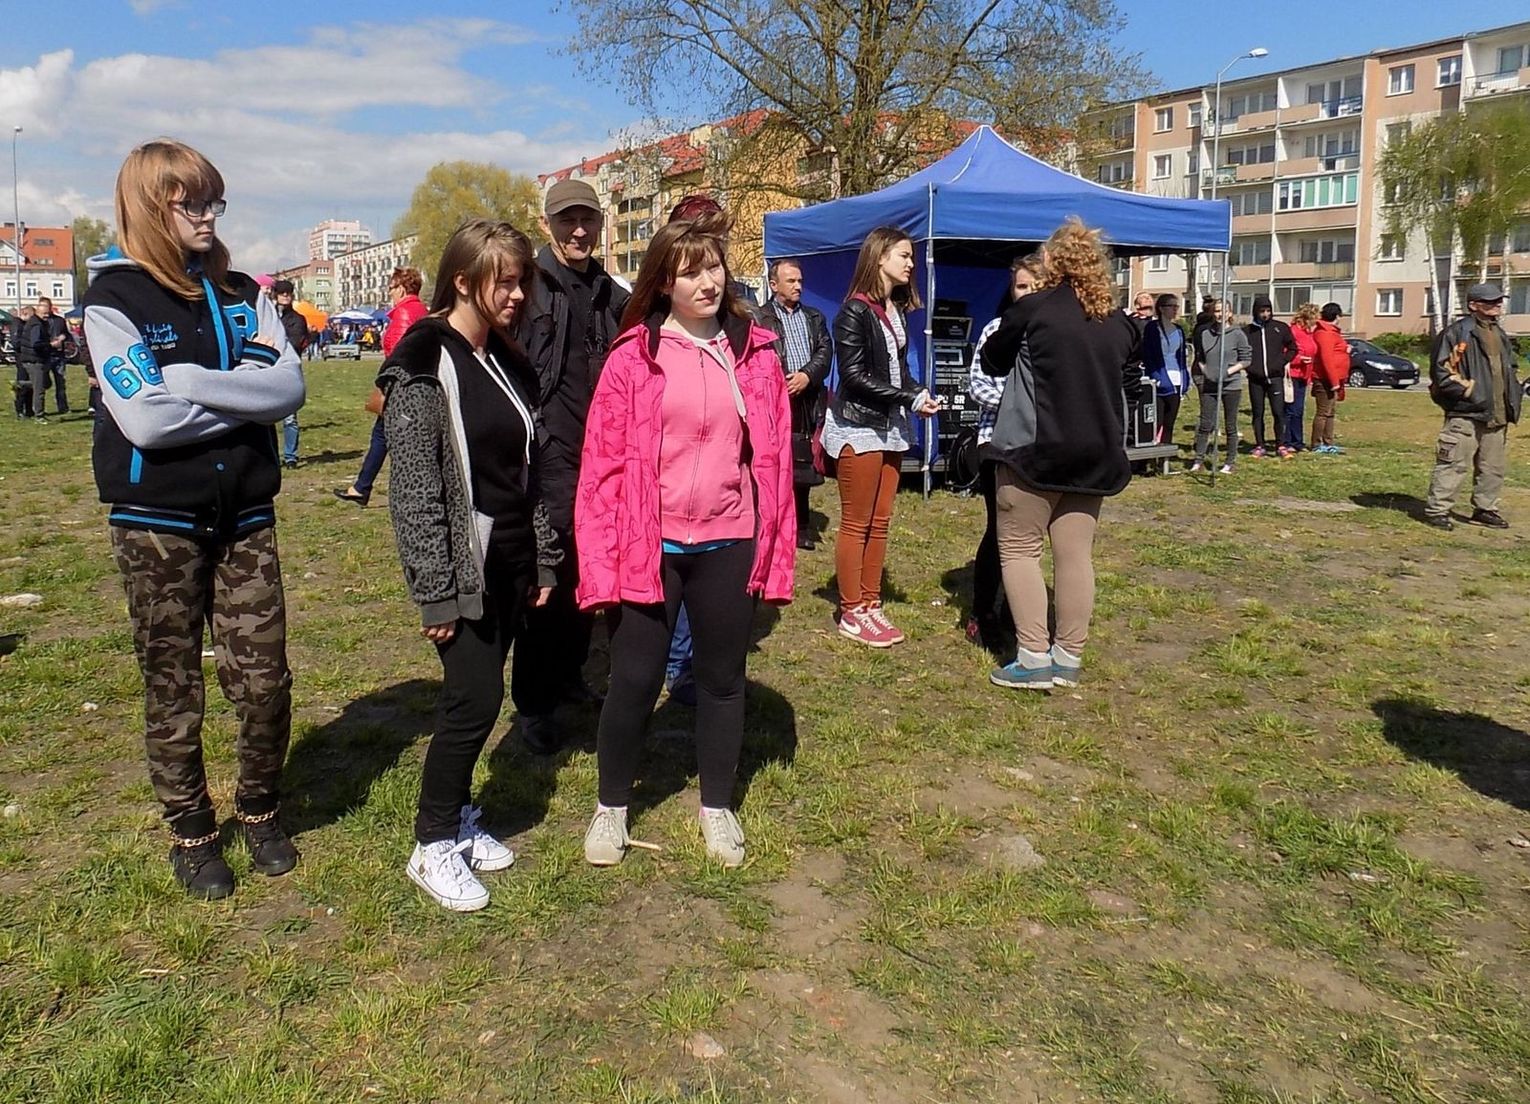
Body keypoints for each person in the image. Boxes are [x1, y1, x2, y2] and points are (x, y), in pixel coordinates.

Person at [83, 138, 306, 899]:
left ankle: (260, 809)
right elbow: (146, 422)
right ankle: (192, 831)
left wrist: (184, 381)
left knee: (265, 680)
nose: (209, 216)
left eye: (215, 202)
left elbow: (287, 390)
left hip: (245, 515)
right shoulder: (114, 301)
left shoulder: (243, 293)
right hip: (156, 522)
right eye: (192, 204)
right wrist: (238, 394)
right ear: (151, 207)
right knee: (172, 683)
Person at [574, 211, 794, 869]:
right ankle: (612, 807)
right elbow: (601, 468)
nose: (706, 282)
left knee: (723, 680)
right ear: (663, 282)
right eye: (689, 272)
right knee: (635, 679)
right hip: (652, 543)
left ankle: (717, 807)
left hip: (729, 538)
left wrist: (773, 549)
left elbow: (775, 459)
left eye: (714, 267)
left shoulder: (756, 355)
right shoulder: (632, 358)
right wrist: (601, 561)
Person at [378, 219, 560, 912]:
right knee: (472, 701)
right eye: (503, 282)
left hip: (511, 557)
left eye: (522, 281)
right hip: (465, 564)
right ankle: (431, 845)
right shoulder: (425, 361)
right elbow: (415, 489)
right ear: (462, 281)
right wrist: (436, 591)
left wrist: (542, 560)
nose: (516, 294)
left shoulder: (503, 358)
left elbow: (527, 471)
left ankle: (456, 818)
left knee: (484, 698)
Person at [978, 218, 1140, 690]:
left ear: (1050, 260)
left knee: (1020, 550)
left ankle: (1033, 656)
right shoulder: (1119, 322)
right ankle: (1068, 656)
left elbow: (992, 360)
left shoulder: (1033, 309)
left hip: (1034, 451)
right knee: (1075, 556)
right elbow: (1130, 380)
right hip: (1095, 455)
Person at [510, 178, 630, 754]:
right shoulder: (527, 286)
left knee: (589, 576)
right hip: (548, 454)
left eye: (587, 220)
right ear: (546, 224)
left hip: (600, 456)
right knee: (547, 581)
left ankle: (569, 674)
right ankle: (533, 704)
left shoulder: (609, 291)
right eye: (566, 220)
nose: (579, 231)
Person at [824, 226, 940, 647]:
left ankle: (871, 603)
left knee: (881, 520)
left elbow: (898, 371)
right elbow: (854, 377)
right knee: (857, 522)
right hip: (858, 426)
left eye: (911, 257)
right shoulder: (853, 312)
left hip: (890, 427)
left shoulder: (895, 311)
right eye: (904, 255)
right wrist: (908, 398)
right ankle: (851, 609)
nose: (911, 264)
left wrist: (918, 393)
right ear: (879, 257)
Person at [966, 253, 1044, 658]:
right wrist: (1022, 403)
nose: (1028, 293)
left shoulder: (1054, 333)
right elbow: (978, 386)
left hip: (1039, 446)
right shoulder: (996, 329)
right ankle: (982, 612)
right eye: (1021, 286)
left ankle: (1020, 611)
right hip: (996, 443)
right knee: (1000, 530)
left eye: (1036, 286)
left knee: (1031, 535)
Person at [1422, 283, 1522, 531]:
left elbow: (1510, 368)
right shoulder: (1457, 333)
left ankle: (1485, 509)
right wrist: (1469, 391)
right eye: (1490, 301)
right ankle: (1438, 510)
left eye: (1498, 300)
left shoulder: (1499, 333)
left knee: (1492, 468)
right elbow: (1441, 372)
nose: (1497, 305)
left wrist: (1516, 391)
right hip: (1465, 414)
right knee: (1453, 464)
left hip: (1497, 414)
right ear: (1473, 305)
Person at [755, 257, 832, 550]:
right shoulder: (759, 318)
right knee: (772, 463)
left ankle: (801, 527)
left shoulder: (814, 317)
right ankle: (770, 524)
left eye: (800, 280)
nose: (798, 286)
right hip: (775, 399)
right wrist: (780, 381)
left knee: (801, 464)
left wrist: (806, 376)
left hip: (807, 401)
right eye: (791, 281)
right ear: (774, 285)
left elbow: (825, 352)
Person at [335, 266, 427, 506]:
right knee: (387, 434)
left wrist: (385, 385)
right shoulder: (420, 310)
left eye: (392, 288)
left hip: (401, 391)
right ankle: (362, 487)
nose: (390, 293)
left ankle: (405, 490)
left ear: (402, 288)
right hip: (411, 388)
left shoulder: (404, 314)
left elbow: (397, 354)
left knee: (396, 435)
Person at [1190, 299, 1250, 474]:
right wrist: (1206, 372)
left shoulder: (1238, 334)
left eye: (1223, 310)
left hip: (1231, 385)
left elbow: (1246, 359)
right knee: (1205, 424)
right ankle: (1198, 460)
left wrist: (1228, 372)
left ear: (1230, 313)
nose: (1219, 314)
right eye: (1216, 311)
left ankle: (1230, 461)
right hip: (1210, 384)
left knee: (1230, 425)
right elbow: (1200, 358)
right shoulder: (1206, 334)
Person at [1244, 295, 1297, 458]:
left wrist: (1281, 362)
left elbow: (1293, 348)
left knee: (1278, 412)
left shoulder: (1280, 328)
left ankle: (1280, 445)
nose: (1265, 314)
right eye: (1262, 311)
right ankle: (1259, 445)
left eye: (1268, 310)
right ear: (1255, 312)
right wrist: (1249, 367)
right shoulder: (1247, 331)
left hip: (1275, 378)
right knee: (1257, 413)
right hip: (1255, 379)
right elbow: (1240, 352)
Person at [1140, 293, 1189, 447]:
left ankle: (1165, 454)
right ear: (1161, 308)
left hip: (1176, 380)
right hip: (1159, 380)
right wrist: (1156, 376)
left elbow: (1181, 357)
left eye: (1176, 306)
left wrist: (1185, 379)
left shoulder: (1179, 330)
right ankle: (1150, 452)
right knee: (1156, 421)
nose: (1175, 310)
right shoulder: (1152, 328)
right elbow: (1148, 355)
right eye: (1171, 306)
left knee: (1169, 422)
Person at [270, 279, 309, 467]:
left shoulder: (298, 319)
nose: (285, 296)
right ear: (276, 295)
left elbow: (294, 343)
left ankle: (290, 456)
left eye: (288, 293)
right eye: (282, 293)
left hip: (289, 370)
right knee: (266, 416)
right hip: (269, 369)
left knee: (290, 418)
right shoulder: (269, 315)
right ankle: (270, 455)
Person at [1309, 302, 1350, 454]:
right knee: (1323, 412)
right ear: (1336, 316)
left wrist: (1345, 349)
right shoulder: (1325, 333)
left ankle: (1328, 442)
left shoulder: (1332, 333)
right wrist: (1334, 382)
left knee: (1330, 412)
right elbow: (1327, 358)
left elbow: (1336, 350)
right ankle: (1316, 443)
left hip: (1334, 379)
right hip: (1324, 379)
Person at [19, 297, 67, 420]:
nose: (47, 316)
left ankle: (23, 385)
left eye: (48, 313)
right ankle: (39, 415)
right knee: (39, 389)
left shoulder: (40, 322)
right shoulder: (36, 325)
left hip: (37, 358)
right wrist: (51, 345)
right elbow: (36, 344)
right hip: (34, 359)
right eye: (44, 314)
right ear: (37, 311)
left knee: (45, 383)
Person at [1284, 302, 1319, 453]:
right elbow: (1286, 352)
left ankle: (1297, 441)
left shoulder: (1308, 333)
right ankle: (1287, 441)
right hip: (1292, 375)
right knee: (1291, 410)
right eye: (1314, 319)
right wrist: (1299, 359)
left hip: (1303, 376)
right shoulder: (1292, 331)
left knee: (1299, 410)